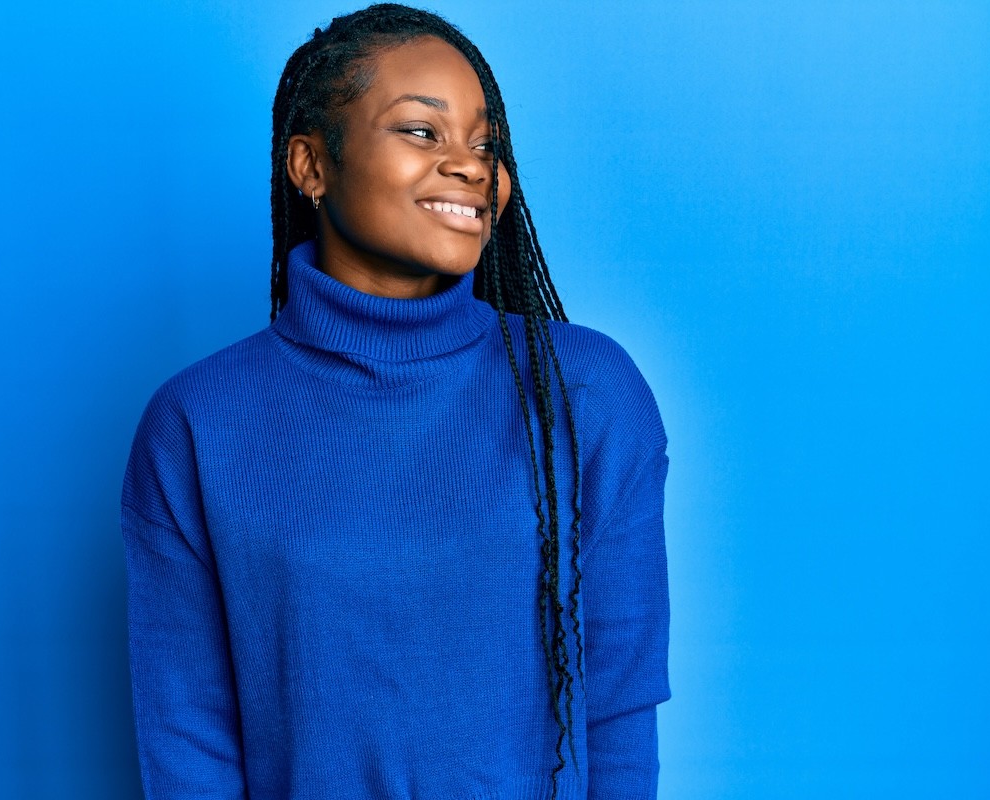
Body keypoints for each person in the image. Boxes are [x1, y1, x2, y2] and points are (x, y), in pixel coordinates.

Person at [120, 4, 670, 799]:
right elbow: (187, 741)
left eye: (486, 144)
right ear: (310, 166)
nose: (471, 165)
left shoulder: (585, 395)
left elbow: (619, 714)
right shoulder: (197, 425)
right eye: (423, 132)